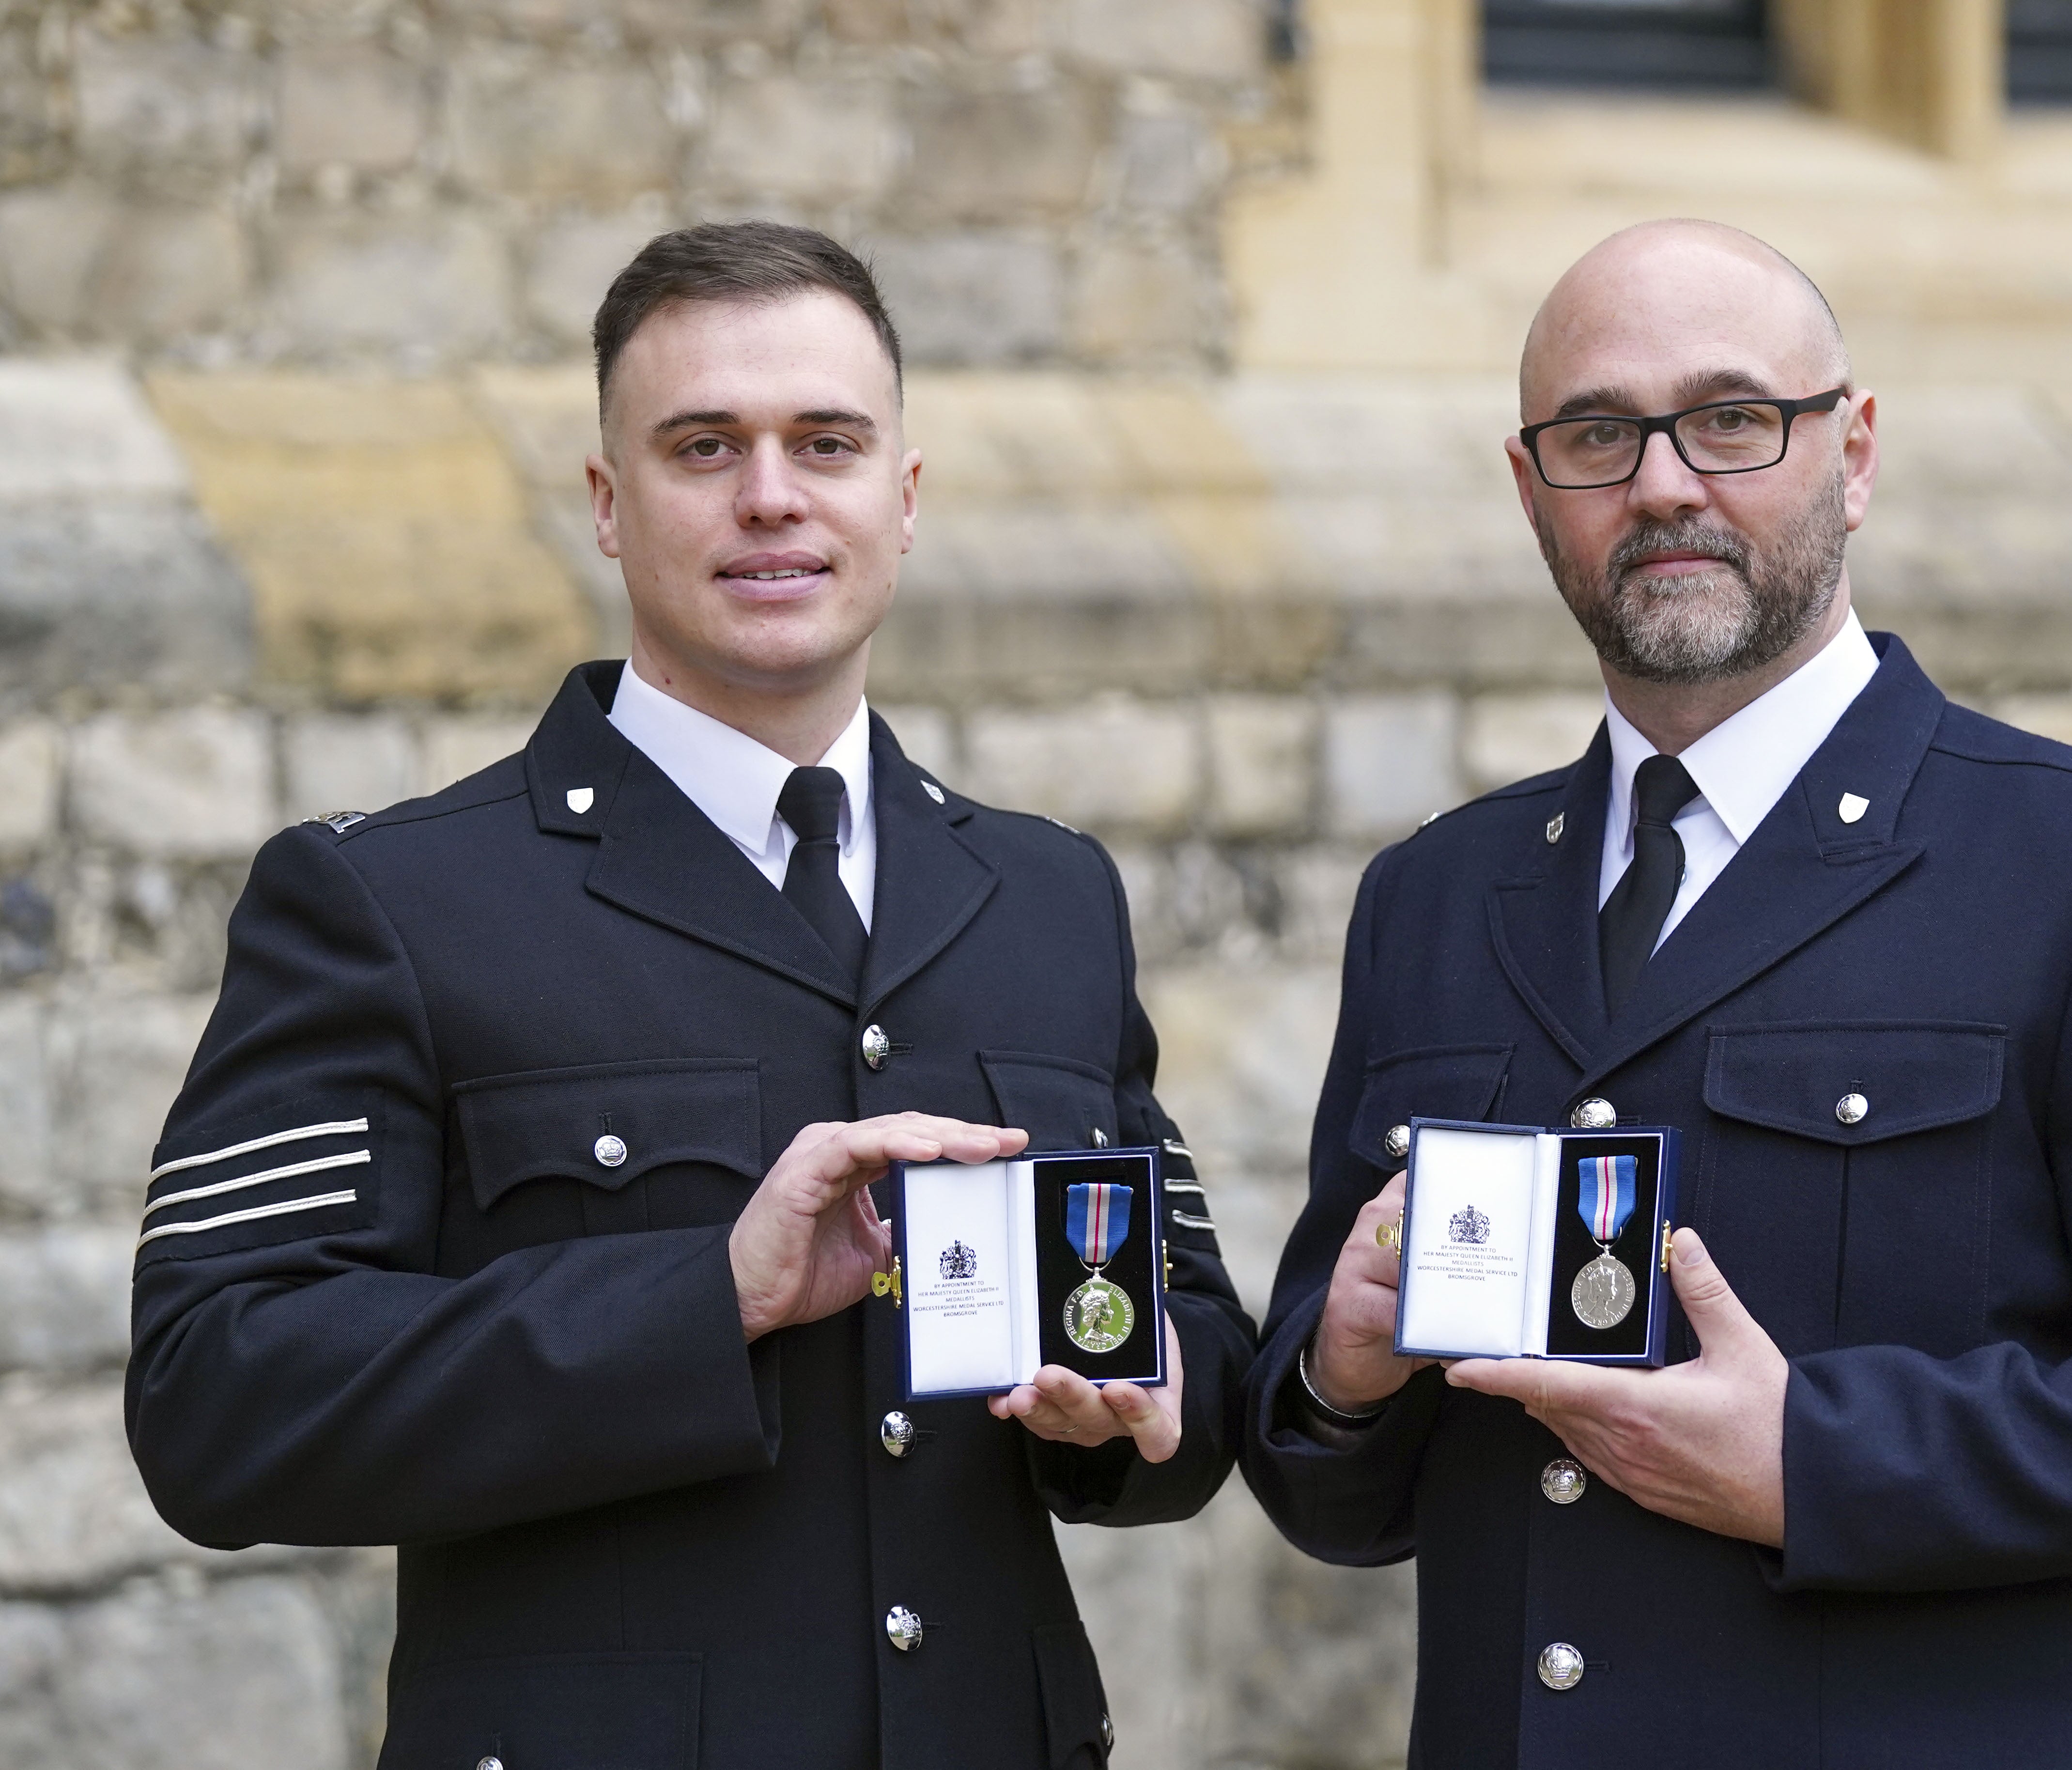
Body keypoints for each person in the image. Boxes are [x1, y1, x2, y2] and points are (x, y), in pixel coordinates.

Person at [1240, 219, 2072, 1765]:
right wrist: (1340, 1376)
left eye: (1730, 420)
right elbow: (1338, 1492)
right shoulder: (1435, 897)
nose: (1661, 484)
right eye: (1597, 435)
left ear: (1852, 455)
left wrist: (1818, 1460)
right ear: (1532, 493)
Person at [126, 221, 1253, 1770]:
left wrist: (1144, 1400)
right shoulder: (397, 905)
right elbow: (217, 1402)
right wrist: (702, 1300)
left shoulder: (1050, 898)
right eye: (703, 445)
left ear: (903, 500)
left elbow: (1200, 1355)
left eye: (828, 442)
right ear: (608, 503)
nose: (772, 494)